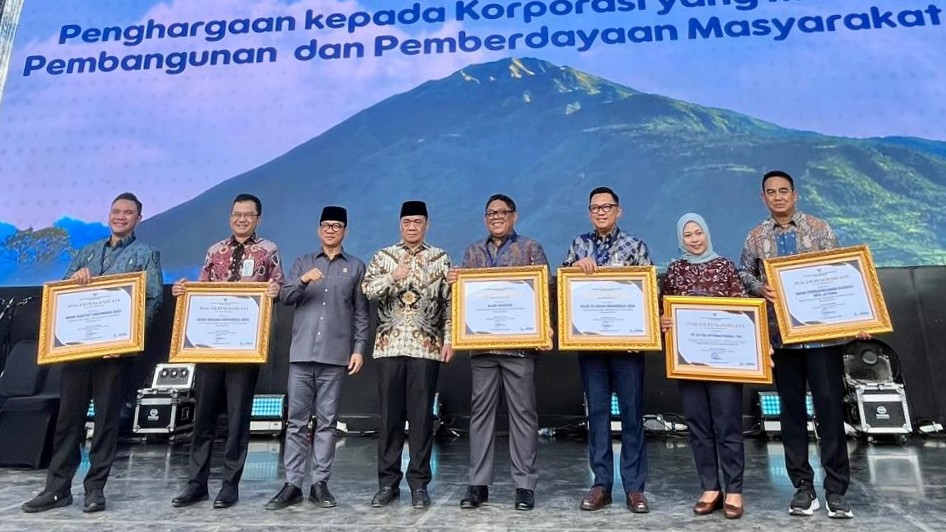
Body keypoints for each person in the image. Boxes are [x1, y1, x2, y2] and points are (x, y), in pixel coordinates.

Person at [22, 192, 163, 514]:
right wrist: (73, 280)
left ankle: (95, 489)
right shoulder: (85, 252)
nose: (121, 216)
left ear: (138, 218)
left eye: (128, 212)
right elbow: (62, 296)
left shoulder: (146, 254)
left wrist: (128, 341)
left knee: (106, 423)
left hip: (114, 356)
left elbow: (153, 300)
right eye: (116, 211)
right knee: (67, 422)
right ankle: (57, 489)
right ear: (109, 215)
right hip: (77, 352)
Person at [739, 170, 868, 519]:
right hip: (782, 341)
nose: (778, 197)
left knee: (829, 412)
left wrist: (859, 317)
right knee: (791, 415)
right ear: (763, 198)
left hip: (822, 339)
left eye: (784, 191)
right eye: (771, 192)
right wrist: (757, 288)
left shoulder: (819, 228)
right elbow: (744, 275)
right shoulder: (755, 237)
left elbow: (843, 273)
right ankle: (802, 488)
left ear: (795, 195)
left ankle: (836, 491)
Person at [171, 193, 283, 510]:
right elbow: (200, 291)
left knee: (237, 419)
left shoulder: (268, 251)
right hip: (209, 347)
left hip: (245, 350)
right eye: (237, 214)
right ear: (230, 217)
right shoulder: (214, 251)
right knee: (203, 416)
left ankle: (229, 484)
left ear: (258, 218)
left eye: (248, 215)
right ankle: (196, 483)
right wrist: (182, 291)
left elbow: (280, 287)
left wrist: (276, 290)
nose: (242, 219)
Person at [447, 194, 548, 512]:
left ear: (514, 216)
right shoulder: (473, 251)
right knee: (480, 418)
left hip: (519, 349)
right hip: (482, 348)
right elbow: (465, 298)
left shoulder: (531, 248)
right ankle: (478, 484)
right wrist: (456, 283)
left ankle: (524, 486)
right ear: (484, 218)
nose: (496, 217)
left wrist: (545, 329)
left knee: (523, 416)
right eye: (490, 213)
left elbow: (543, 294)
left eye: (502, 212)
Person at [265, 206, 369, 510]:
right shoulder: (303, 262)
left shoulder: (356, 266)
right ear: (318, 230)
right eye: (326, 225)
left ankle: (320, 483)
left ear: (345, 231)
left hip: (336, 357)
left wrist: (359, 349)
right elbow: (285, 298)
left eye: (337, 226)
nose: (331, 230)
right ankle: (292, 484)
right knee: (296, 422)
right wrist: (302, 281)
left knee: (327, 422)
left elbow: (361, 313)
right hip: (301, 354)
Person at [562, 186, 652, 514]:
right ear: (589, 213)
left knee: (631, 414)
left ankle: (634, 488)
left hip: (628, 346)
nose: (601, 212)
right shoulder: (578, 245)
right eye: (595, 208)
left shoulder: (636, 246)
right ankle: (601, 483)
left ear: (619, 210)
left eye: (607, 207)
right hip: (590, 345)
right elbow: (563, 287)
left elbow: (647, 292)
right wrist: (574, 269)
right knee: (596, 414)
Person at [362, 200, 453, 510]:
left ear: (426, 224)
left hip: (426, 347)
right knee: (389, 419)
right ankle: (387, 483)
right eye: (407, 222)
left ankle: (418, 484)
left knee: (421, 419)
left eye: (417, 222)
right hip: (389, 345)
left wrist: (450, 339)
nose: (412, 227)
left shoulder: (440, 258)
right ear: (400, 225)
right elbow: (368, 291)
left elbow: (449, 303)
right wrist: (393, 277)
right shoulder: (384, 256)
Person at [660, 212, 747, 519]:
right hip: (689, 362)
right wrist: (663, 321)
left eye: (698, 233)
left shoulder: (725, 266)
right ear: (680, 239)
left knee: (727, 424)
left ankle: (734, 489)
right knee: (698, 425)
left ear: (707, 233)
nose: (694, 239)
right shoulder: (674, 270)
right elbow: (662, 311)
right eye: (688, 235)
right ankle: (710, 487)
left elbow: (744, 312)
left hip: (725, 363)